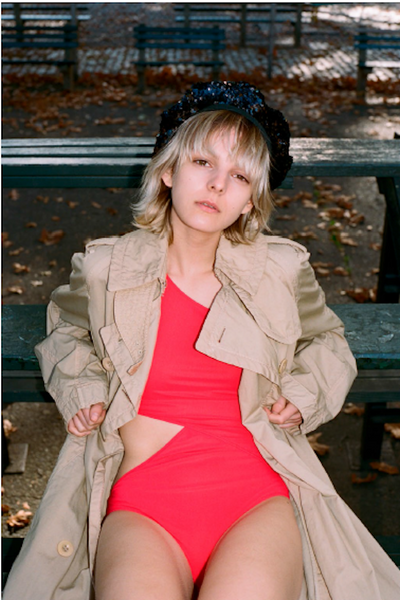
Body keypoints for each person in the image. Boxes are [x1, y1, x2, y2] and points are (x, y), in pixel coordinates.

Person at [4, 81, 400, 600]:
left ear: (250, 201)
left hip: (254, 492)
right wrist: (82, 389)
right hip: (144, 497)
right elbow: (65, 328)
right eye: (202, 163)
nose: (216, 185)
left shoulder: (278, 269)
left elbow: (327, 339)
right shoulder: (107, 267)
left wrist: (304, 396)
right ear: (169, 171)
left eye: (238, 176)